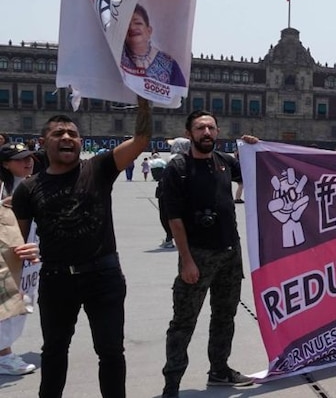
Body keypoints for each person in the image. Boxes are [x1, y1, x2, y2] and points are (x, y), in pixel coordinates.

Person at [12, 99, 152, 398]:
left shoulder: (99, 168)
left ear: (80, 142)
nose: (67, 138)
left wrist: (143, 104)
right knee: (54, 351)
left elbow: (141, 140)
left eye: (73, 134)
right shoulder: (28, 188)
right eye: (58, 133)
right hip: (56, 279)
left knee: (111, 351)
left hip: (103, 277)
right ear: (43, 142)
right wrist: (21, 252)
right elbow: (17, 240)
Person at [159, 112, 258, 396]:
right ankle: (172, 383)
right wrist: (186, 260)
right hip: (197, 256)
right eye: (200, 127)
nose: (206, 132)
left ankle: (219, 370)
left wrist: (254, 148)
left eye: (211, 127)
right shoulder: (178, 168)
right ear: (189, 132)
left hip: (229, 252)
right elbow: (174, 218)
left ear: (218, 132)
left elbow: (257, 173)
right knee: (184, 321)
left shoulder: (225, 163)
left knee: (225, 316)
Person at [0, 142, 40, 377]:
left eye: (29, 157)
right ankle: (4, 355)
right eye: (20, 159)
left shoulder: (33, 185)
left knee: (23, 303)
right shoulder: (4, 190)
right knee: (7, 304)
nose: (28, 162)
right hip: (8, 258)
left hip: (31, 255)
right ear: (5, 164)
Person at [120, 4, 187, 88]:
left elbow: (178, 93)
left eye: (138, 23)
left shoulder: (169, 65)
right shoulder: (116, 58)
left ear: (149, 30)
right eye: (127, 24)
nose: (132, 27)